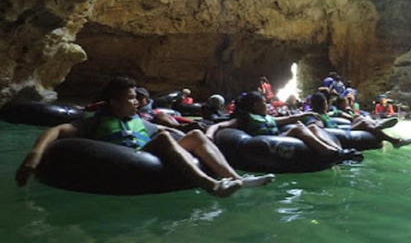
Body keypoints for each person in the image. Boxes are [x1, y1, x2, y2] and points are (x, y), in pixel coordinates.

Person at [15, 77, 274, 197]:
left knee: (193, 134)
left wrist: (182, 132)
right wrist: (33, 158)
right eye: (130, 98)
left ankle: (236, 179)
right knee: (163, 140)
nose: (137, 102)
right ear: (115, 102)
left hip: (145, 152)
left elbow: (164, 133)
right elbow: (56, 131)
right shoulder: (94, 123)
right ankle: (211, 185)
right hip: (120, 158)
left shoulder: (139, 122)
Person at [205, 92, 362, 161]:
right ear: (255, 105)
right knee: (299, 128)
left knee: (311, 127)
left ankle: (339, 152)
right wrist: (209, 136)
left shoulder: (267, 118)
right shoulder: (244, 119)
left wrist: (303, 116)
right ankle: (332, 153)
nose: (266, 105)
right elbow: (219, 126)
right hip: (263, 144)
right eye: (263, 103)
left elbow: (287, 119)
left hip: (277, 138)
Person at [308, 93, 411, 148]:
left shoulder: (324, 114)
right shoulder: (315, 116)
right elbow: (317, 128)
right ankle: (394, 141)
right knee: (363, 122)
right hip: (338, 133)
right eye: (325, 103)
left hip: (339, 129)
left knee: (360, 118)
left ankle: (377, 125)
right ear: (322, 104)